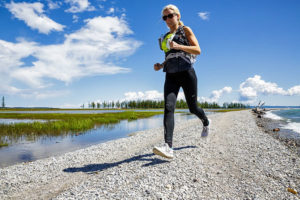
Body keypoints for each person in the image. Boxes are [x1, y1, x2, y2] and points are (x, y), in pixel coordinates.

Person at [153, 4, 210, 159]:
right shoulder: (165, 37)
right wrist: (161, 65)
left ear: (177, 16)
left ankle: (205, 121)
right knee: (168, 107)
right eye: (164, 17)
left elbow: (198, 49)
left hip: (187, 72)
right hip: (170, 74)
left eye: (170, 15)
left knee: (193, 108)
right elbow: (170, 55)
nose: (167, 19)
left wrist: (179, 45)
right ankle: (168, 147)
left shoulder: (185, 30)